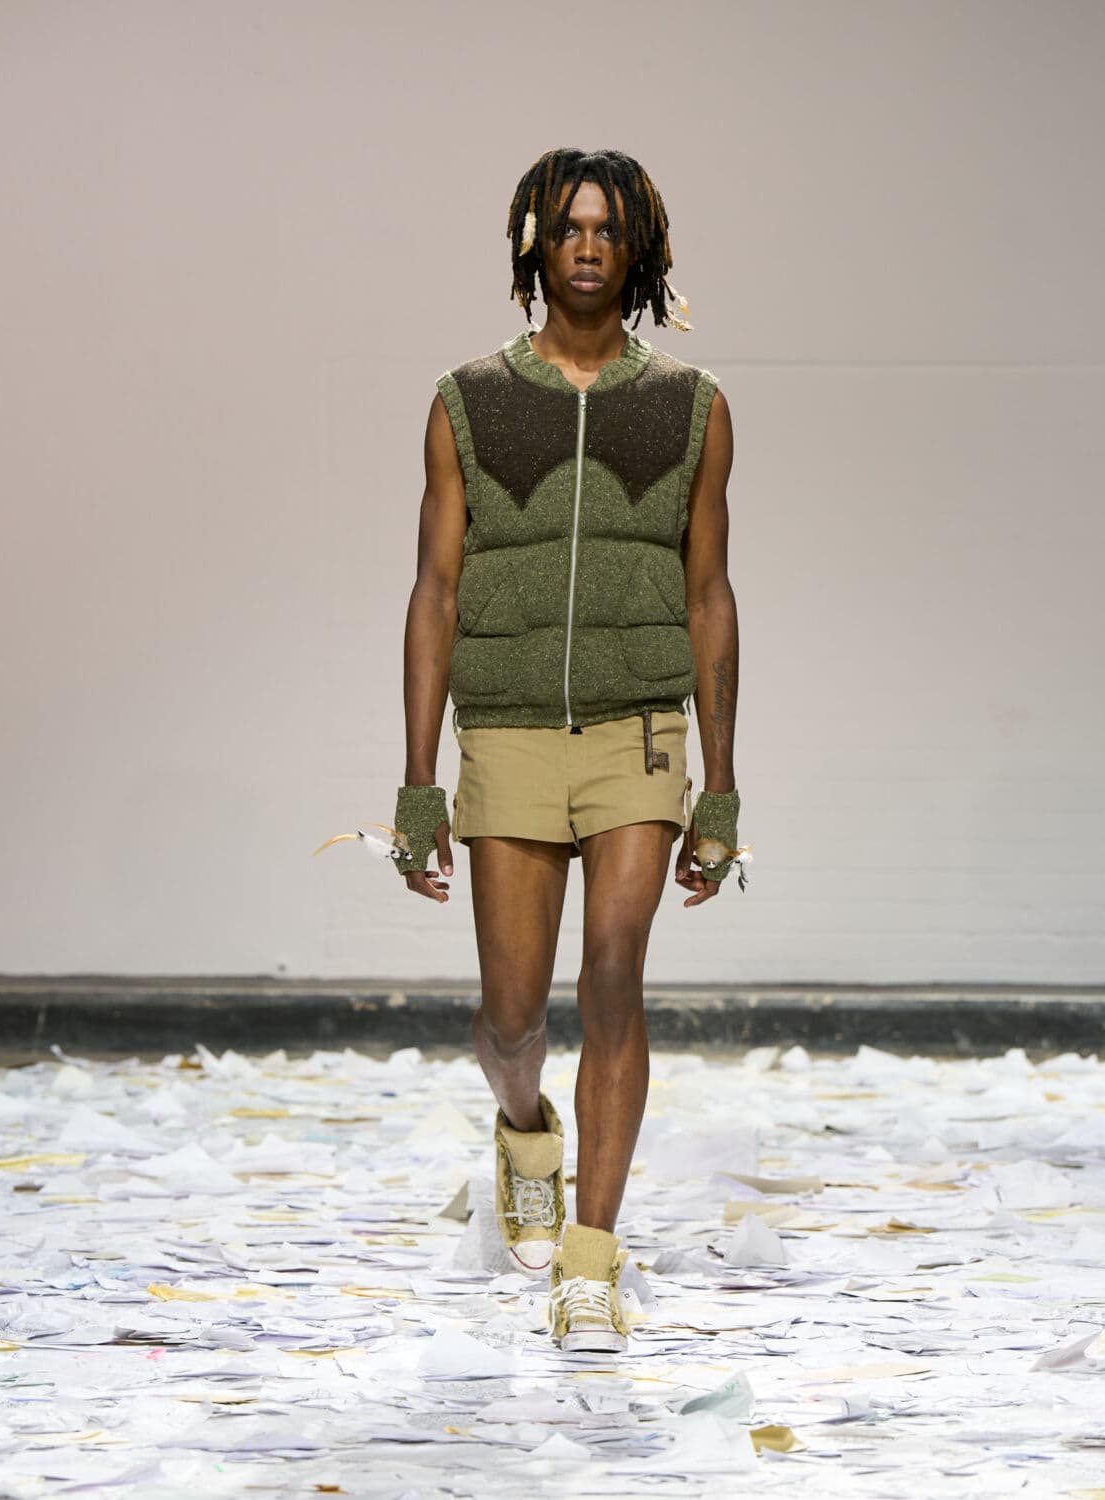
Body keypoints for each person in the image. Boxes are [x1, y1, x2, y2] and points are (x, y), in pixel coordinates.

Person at [393, 147, 741, 1353]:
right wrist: (419, 784)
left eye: (607, 229)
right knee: (509, 1020)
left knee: (613, 973)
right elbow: (436, 590)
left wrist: (722, 790)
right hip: (507, 731)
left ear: (638, 249)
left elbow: (709, 595)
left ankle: (590, 1259)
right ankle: (525, 1127)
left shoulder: (691, 407)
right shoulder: (468, 401)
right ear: (534, 246)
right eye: (567, 228)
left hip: (640, 728)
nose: (587, 247)